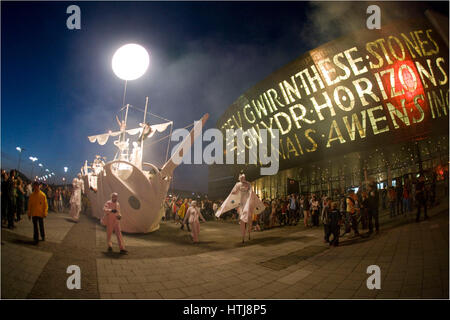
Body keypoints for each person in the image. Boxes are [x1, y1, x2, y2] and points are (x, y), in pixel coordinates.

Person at [215, 172, 264, 243]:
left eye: (243, 178)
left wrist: (250, 199)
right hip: (242, 203)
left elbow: (251, 193)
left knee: (249, 218)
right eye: (241, 178)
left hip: (247, 202)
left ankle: (249, 233)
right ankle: (243, 236)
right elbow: (234, 192)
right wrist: (233, 194)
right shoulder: (238, 184)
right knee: (242, 220)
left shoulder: (248, 184)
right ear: (239, 179)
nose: (242, 179)